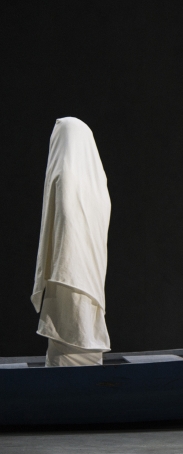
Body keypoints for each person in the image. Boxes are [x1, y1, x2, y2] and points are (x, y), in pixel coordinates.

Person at [31, 117, 111, 367]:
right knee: (81, 326)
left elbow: (60, 222)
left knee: (69, 325)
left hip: (68, 269)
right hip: (89, 275)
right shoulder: (99, 183)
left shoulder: (64, 174)